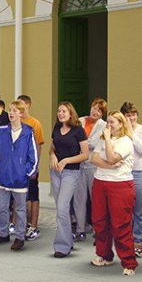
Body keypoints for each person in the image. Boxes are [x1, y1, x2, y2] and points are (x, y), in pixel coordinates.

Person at [90, 111, 137, 275]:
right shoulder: (102, 139)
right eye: (107, 122)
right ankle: (104, 255)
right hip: (100, 183)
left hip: (120, 185)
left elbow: (112, 157)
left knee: (120, 225)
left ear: (121, 124)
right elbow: (94, 158)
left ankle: (129, 262)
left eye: (112, 122)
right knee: (99, 221)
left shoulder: (126, 141)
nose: (108, 126)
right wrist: (109, 166)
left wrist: (109, 140)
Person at [0, 100, 38, 251]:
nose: (11, 113)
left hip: (20, 179)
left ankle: (19, 237)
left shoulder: (28, 132)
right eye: (10, 110)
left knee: (21, 209)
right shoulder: (1, 131)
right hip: (3, 178)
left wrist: (26, 172)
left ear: (21, 114)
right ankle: (3, 233)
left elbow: (33, 156)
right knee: (1, 207)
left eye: (15, 111)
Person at [49, 102, 89, 258]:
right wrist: (52, 156)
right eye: (59, 111)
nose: (60, 113)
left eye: (63, 111)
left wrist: (66, 161)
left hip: (71, 173)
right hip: (55, 172)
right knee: (61, 210)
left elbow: (85, 154)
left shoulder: (78, 131)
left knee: (62, 207)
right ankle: (67, 241)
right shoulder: (56, 129)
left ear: (71, 113)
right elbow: (52, 148)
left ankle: (62, 246)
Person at [72, 98, 107, 242]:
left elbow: (93, 143)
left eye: (99, 110)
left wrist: (80, 141)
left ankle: (99, 230)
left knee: (96, 200)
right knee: (79, 199)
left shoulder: (103, 126)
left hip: (94, 166)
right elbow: (73, 139)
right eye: (94, 108)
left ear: (102, 114)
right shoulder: (79, 121)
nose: (95, 111)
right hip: (79, 165)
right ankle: (80, 229)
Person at [120, 102, 142, 258]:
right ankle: (127, 242)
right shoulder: (120, 132)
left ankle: (138, 242)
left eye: (133, 114)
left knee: (139, 211)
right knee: (127, 211)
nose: (131, 118)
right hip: (124, 174)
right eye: (127, 115)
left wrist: (131, 133)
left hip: (141, 174)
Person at [17, 95, 45, 241]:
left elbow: (38, 146)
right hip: (17, 167)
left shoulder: (35, 123)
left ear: (28, 105)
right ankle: (18, 225)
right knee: (17, 195)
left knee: (33, 196)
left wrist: (35, 166)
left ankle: (33, 226)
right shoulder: (15, 123)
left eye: (22, 105)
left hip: (29, 166)